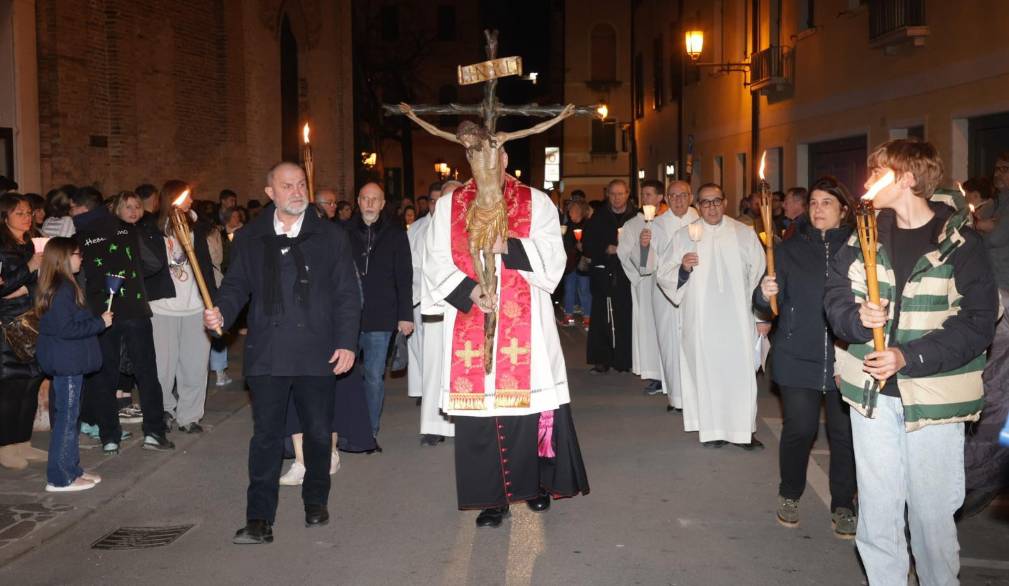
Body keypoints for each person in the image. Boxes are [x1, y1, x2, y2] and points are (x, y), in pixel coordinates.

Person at [824, 139, 998, 585]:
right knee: (878, 514)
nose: (866, 182)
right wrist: (859, 320)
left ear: (905, 178)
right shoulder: (865, 232)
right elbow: (836, 297)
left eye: (876, 172)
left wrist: (908, 355)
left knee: (931, 517)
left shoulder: (961, 242)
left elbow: (978, 322)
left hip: (935, 402)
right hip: (872, 398)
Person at [424, 149, 589, 528]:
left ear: (504, 156)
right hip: (472, 321)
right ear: (468, 158)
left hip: (525, 325)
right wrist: (470, 291)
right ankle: (491, 498)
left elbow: (553, 258)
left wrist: (509, 246)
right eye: (477, 155)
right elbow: (434, 261)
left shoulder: (536, 201)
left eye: (493, 155)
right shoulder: (450, 205)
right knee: (482, 413)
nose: (486, 163)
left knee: (529, 409)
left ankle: (534, 487)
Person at [204, 161, 360, 544]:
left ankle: (315, 501)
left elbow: (346, 294)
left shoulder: (330, 236)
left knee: (319, 433)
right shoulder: (251, 236)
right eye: (287, 186)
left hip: (318, 350)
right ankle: (258, 518)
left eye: (301, 184)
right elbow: (237, 283)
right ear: (270, 193)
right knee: (266, 438)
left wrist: (346, 342)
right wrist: (222, 310)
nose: (296, 191)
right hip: (268, 352)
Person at [753, 176, 857, 537]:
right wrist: (764, 295)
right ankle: (790, 493)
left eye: (827, 202)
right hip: (798, 354)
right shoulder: (789, 249)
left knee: (845, 435)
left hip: (848, 358)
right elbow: (765, 304)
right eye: (813, 202)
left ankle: (844, 503)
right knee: (800, 428)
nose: (817, 209)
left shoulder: (860, 250)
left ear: (843, 209)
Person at [657, 183, 767, 449]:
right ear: (699, 205)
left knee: (740, 374)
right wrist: (683, 268)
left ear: (725, 202)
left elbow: (760, 275)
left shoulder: (744, 233)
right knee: (707, 373)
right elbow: (664, 273)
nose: (711, 207)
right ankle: (714, 429)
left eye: (716, 201)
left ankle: (743, 431)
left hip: (738, 320)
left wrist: (761, 316)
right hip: (702, 321)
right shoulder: (686, 236)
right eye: (705, 203)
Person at [72, 187, 173, 455]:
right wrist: (134, 274)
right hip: (134, 309)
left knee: (104, 375)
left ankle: (110, 437)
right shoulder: (129, 230)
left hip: (101, 313)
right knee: (146, 373)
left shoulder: (80, 236)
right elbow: (154, 263)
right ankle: (153, 433)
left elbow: (77, 275)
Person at [36, 237, 112, 492]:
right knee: (67, 420)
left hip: (70, 360)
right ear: (64, 257)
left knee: (70, 418)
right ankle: (59, 478)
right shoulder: (62, 288)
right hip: (66, 361)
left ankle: (71, 468)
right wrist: (100, 323)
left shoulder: (64, 284)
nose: (82, 258)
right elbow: (66, 328)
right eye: (78, 254)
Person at [961, 156, 1009, 518]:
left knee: (996, 388)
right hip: (991, 297)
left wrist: (979, 222)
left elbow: (993, 231)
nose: (1000, 176)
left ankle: (983, 475)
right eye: (997, 170)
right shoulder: (996, 202)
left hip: (1005, 301)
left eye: (1006, 170)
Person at [347, 182, 413, 442]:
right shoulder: (344, 232)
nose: (370, 203)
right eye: (365, 198)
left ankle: (369, 429)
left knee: (374, 376)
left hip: (381, 315)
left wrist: (405, 315)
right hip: (348, 317)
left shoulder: (396, 234)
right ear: (358, 201)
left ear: (383, 204)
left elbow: (404, 277)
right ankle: (348, 424)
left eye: (375, 199)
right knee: (346, 376)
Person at [150, 183, 216, 434]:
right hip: (162, 307)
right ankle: (165, 408)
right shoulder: (153, 228)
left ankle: (190, 415)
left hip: (195, 306)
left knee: (195, 364)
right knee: (162, 366)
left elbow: (207, 265)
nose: (191, 201)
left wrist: (213, 300)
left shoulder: (196, 226)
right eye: (186, 197)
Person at [407, 179, 458, 446]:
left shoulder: (473, 225)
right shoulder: (423, 230)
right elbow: (414, 268)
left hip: (467, 308)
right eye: (441, 199)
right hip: (435, 304)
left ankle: (468, 420)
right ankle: (434, 424)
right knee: (434, 366)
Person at [0, 193, 46, 470]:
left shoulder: (33, 243)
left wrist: (27, 285)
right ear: (4, 216)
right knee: (11, 387)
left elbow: (39, 284)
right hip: (8, 325)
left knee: (31, 383)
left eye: (28, 212)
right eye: (19, 212)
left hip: (35, 320)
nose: (27, 217)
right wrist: (29, 268)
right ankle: (5, 447)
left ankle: (22, 442)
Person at [650, 180, 699, 412]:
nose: (678, 200)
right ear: (666, 199)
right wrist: (643, 247)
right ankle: (677, 397)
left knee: (694, 341)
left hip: (695, 291)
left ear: (691, 197)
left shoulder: (702, 221)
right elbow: (647, 264)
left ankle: (696, 393)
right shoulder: (656, 224)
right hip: (666, 291)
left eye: (683, 195)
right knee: (670, 343)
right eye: (673, 196)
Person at [582, 179, 636, 374]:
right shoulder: (598, 218)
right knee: (601, 318)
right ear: (607, 195)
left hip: (628, 275)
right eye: (613, 194)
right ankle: (601, 359)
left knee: (626, 318)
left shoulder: (635, 217)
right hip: (604, 274)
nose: (617, 198)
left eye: (620, 194)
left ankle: (625, 359)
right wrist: (606, 248)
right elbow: (587, 245)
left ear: (627, 194)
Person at [617, 179, 665, 393]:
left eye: (649, 194)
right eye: (643, 194)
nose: (645, 198)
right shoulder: (632, 224)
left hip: (668, 284)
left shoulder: (668, 221)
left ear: (660, 197)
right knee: (650, 328)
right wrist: (641, 248)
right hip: (645, 285)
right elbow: (624, 254)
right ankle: (656, 373)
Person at [560, 200, 591, 329]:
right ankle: (568, 316)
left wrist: (583, 247)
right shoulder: (567, 225)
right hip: (570, 263)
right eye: (570, 210)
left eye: (573, 210)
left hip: (582, 263)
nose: (571, 212)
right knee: (569, 289)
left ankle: (587, 317)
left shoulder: (588, 225)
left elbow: (592, 243)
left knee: (584, 290)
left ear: (580, 211)